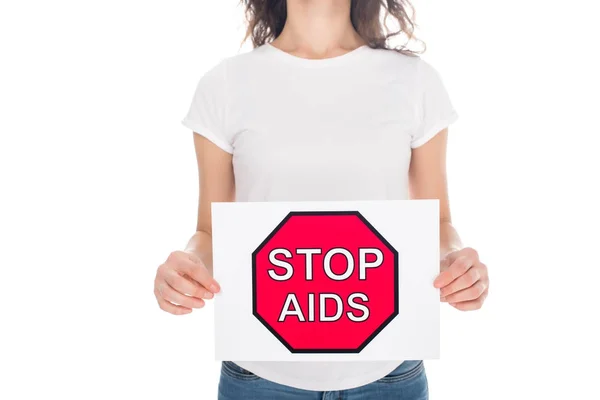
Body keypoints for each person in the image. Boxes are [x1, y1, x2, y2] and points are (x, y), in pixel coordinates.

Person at [153, 0, 490, 398]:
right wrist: (187, 266)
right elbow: (210, 231)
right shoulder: (225, 84)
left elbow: (436, 224)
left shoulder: (414, 81)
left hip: (388, 373)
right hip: (260, 378)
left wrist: (455, 261)